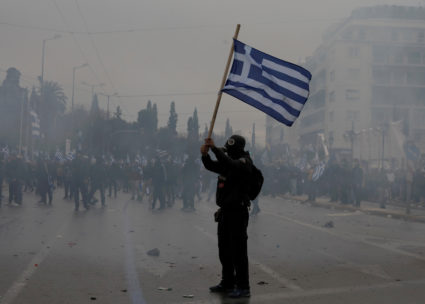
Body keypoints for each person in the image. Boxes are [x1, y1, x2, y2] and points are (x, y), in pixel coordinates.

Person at [201, 135, 252, 298]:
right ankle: (227, 281)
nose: (227, 153)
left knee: (238, 252)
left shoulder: (244, 162)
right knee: (224, 250)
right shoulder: (228, 164)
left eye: (229, 150)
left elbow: (231, 164)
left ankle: (243, 286)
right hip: (225, 212)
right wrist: (205, 155)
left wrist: (215, 149)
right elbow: (211, 166)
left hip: (238, 212)